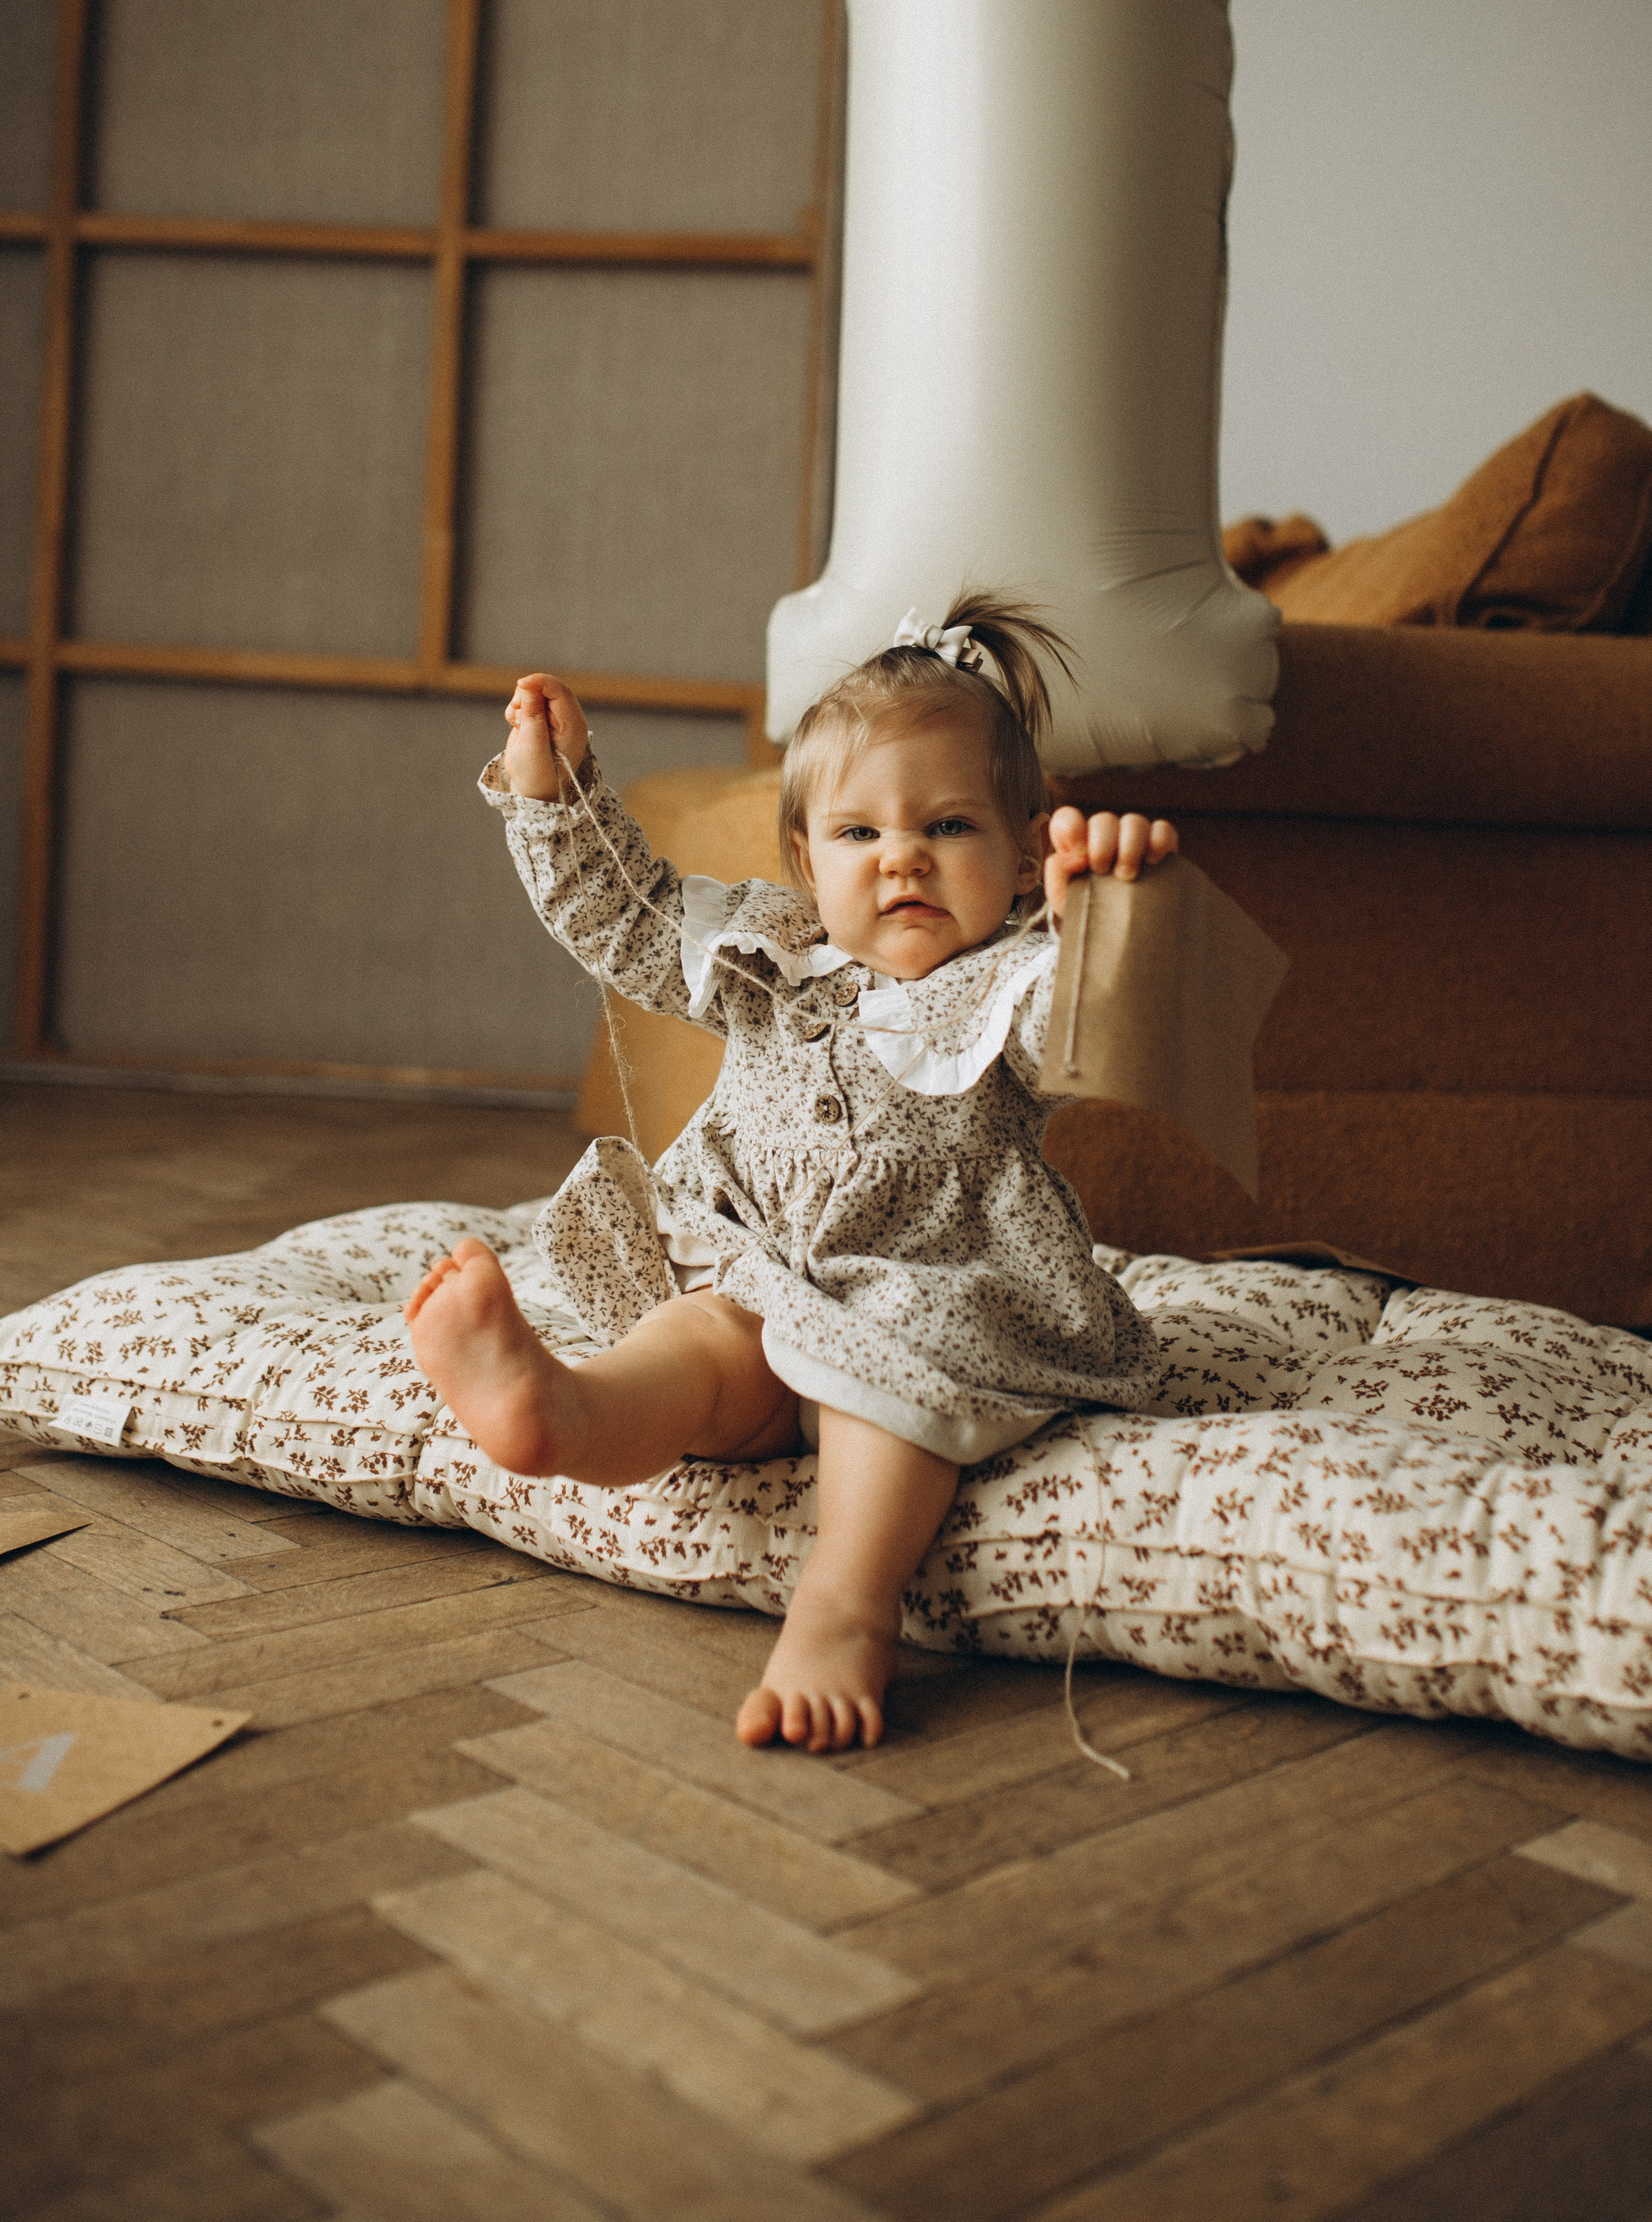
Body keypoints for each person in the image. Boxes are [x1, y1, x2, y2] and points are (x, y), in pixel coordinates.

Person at [403, 595, 1178, 1754]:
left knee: (892, 1388)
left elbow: (1098, 1032)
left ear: (1023, 853)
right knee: (693, 1354)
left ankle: (842, 1609)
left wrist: (1106, 908)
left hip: (924, 1297)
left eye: (950, 828)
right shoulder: (769, 954)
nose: (902, 856)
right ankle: (561, 1410)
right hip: (753, 1276)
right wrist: (556, 795)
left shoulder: (1012, 987)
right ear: (807, 864)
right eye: (859, 835)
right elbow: (624, 915)